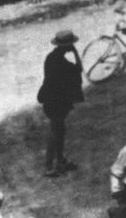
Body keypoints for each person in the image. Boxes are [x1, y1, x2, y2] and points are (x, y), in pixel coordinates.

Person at [37, 28, 84, 177]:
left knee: (59, 130)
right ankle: (49, 166)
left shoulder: (51, 58)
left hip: (51, 100)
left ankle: (60, 160)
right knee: (56, 132)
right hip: (56, 102)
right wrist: (75, 52)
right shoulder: (62, 63)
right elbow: (79, 69)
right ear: (68, 46)